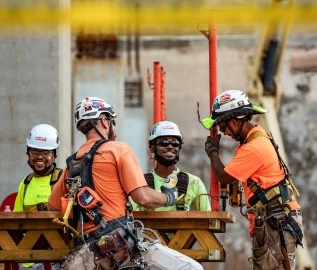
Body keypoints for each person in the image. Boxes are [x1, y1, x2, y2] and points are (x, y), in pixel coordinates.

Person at [48, 96, 203, 270]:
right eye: (111, 121)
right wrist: (169, 196)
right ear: (104, 121)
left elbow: (52, 207)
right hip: (120, 244)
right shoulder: (118, 150)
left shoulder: (72, 163)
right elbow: (143, 198)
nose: (113, 126)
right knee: (191, 268)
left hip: (87, 253)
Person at [202, 89, 303, 270]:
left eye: (224, 128)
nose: (225, 133)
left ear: (234, 122)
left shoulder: (254, 147)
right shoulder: (257, 138)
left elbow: (223, 177)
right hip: (274, 219)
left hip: (276, 222)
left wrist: (212, 151)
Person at [132, 120, 211, 212]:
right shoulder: (140, 183)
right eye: (164, 143)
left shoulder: (194, 182)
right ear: (152, 147)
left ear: (179, 148)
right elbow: (128, 216)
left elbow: (207, 219)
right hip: (148, 227)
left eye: (175, 143)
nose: (170, 146)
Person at [13, 124, 62, 270]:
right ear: (28, 154)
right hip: (30, 261)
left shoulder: (62, 180)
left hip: (58, 260)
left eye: (45, 152)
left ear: (53, 155)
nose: (39, 157)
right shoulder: (25, 183)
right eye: (34, 152)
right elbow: (14, 221)